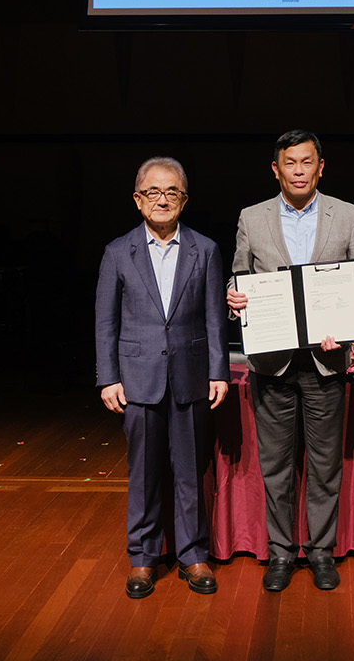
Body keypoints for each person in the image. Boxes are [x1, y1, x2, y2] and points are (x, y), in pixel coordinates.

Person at [227, 130, 354, 592]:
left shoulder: (347, 215)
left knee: (325, 465)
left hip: (325, 362)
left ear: (320, 167)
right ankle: (281, 553)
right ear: (276, 169)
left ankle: (322, 552)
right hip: (272, 362)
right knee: (276, 465)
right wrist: (235, 298)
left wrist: (344, 323)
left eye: (307, 162)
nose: (298, 171)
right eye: (289, 163)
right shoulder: (252, 217)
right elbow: (239, 278)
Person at [96, 157, 229, 600]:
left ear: (184, 200)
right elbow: (106, 323)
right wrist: (108, 378)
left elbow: (214, 318)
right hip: (137, 379)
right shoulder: (118, 252)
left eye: (172, 192)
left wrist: (218, 372)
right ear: (137, 200)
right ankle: (143, 557)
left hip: (191, 376)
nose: (162, 199)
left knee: (191, 471)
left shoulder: (205, 250)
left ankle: (193, 555)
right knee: (144, 474)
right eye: (153, 192)